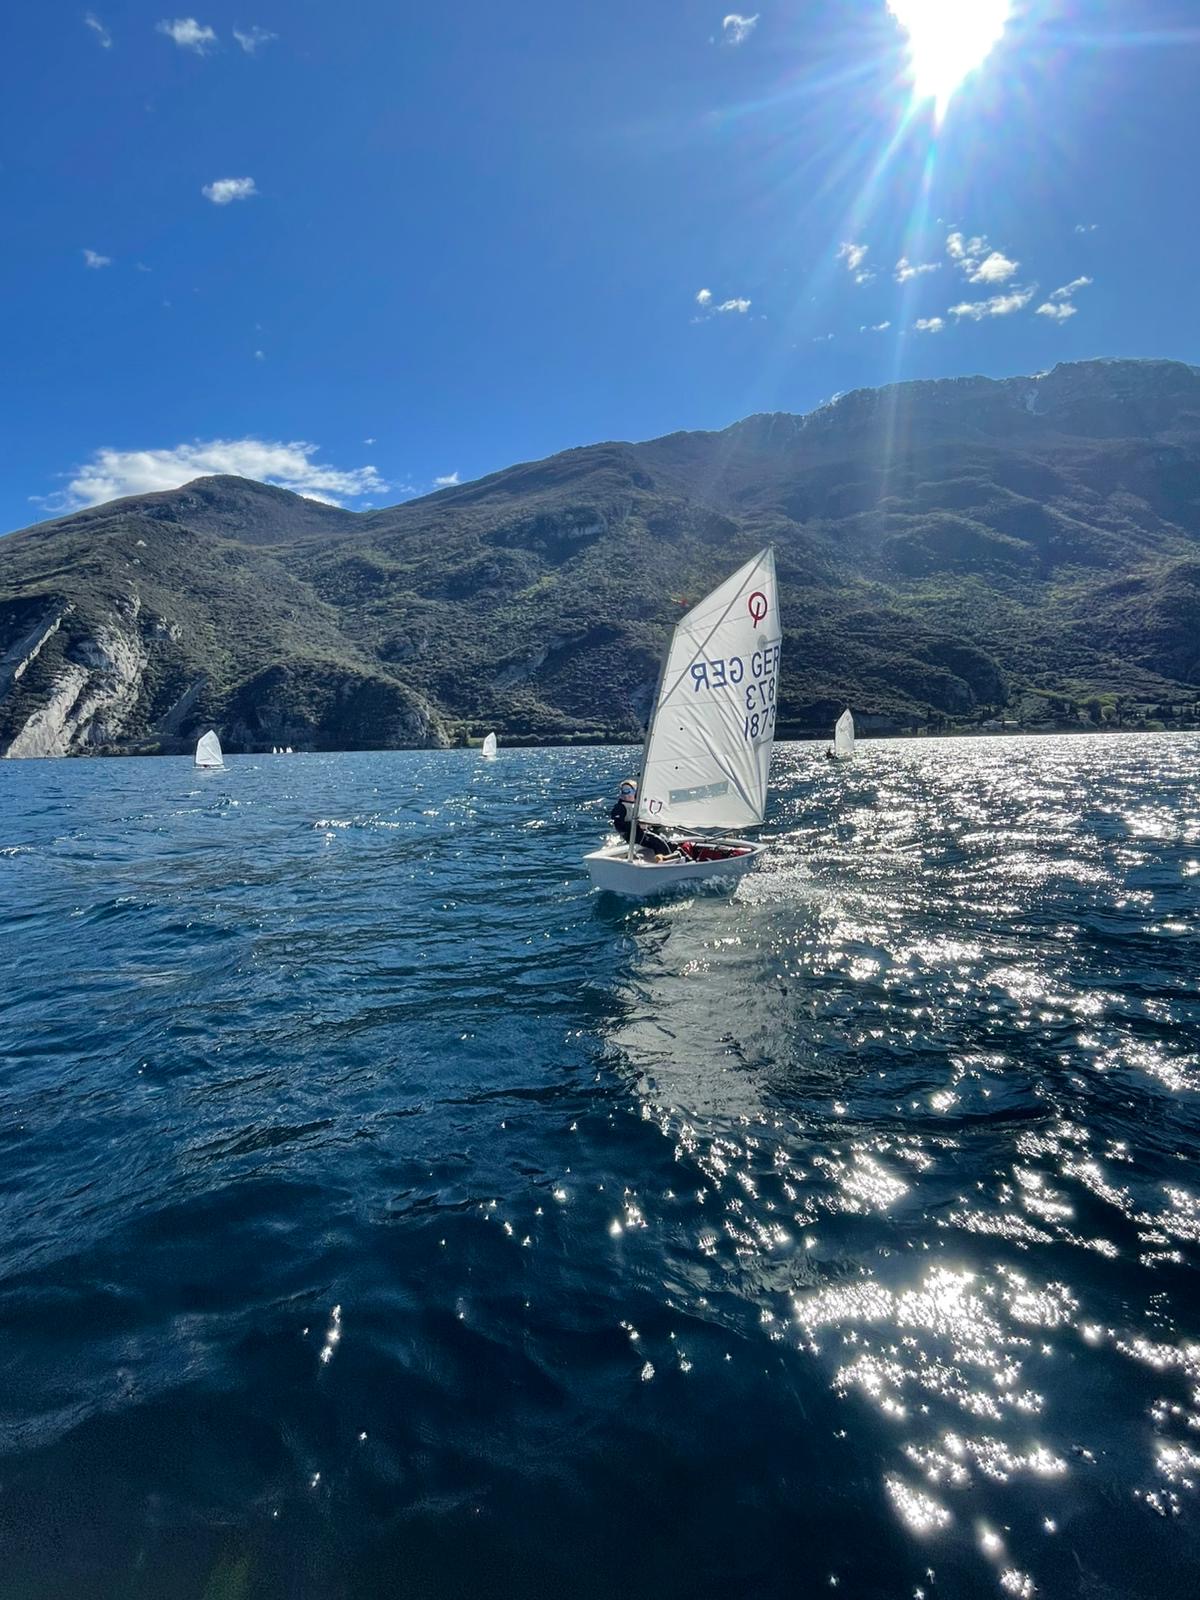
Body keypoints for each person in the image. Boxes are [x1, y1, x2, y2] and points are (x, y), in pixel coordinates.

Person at [609, 779, 674, 860]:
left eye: (629, 791)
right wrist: (636, 824)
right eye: (623, 791)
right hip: (634, 835)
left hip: (645, 832)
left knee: (669, 842)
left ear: (636, 792)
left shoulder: (638, 805)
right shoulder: (620, 807)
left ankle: (682, 857)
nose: (626, 794)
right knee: (658, 842)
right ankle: (665, 861)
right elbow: (619, 825)